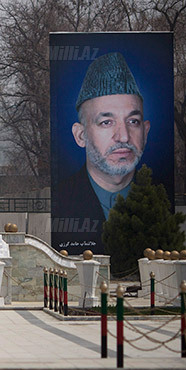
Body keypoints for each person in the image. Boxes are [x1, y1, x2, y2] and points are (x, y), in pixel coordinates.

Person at [52, 52, 150, 253]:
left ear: (145, 131)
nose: (123, 137)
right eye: (106, 122)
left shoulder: (161, 199)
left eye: (133, 122)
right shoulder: (60, 203)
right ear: (80, 135)